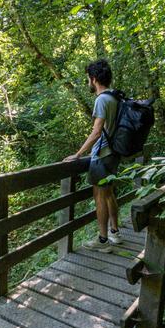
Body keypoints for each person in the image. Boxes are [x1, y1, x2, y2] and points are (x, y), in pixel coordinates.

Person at [64, 59, 122, 249]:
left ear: (94, 79)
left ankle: (103, 240)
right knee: (109, 193)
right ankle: (115, 232)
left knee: (100, 196)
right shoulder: (115, 97)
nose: (88, 82)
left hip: (102, 154)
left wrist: (78, 154)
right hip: (113, 153)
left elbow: (97, 132)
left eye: (88, 78)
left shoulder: (101, 99)